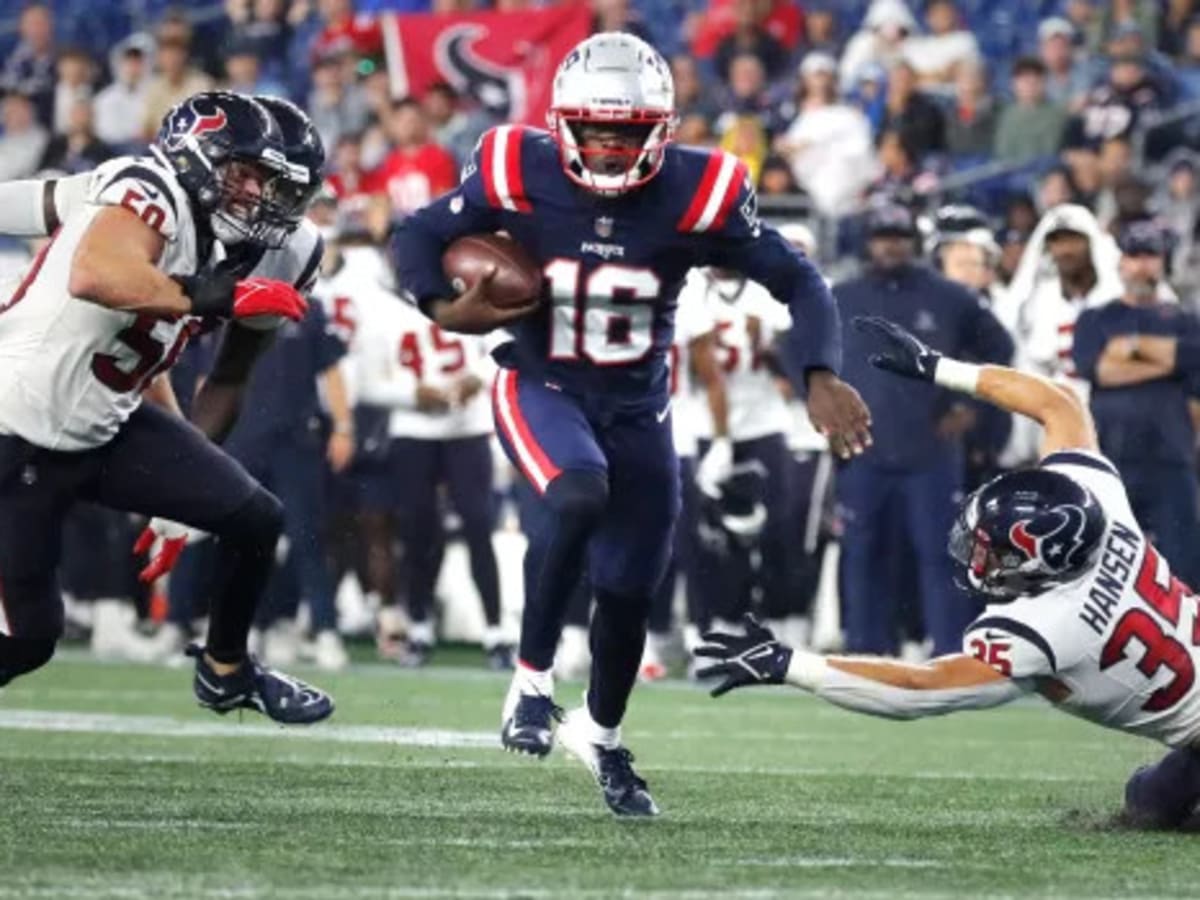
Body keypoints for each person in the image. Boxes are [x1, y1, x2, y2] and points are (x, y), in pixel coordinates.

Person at [391, 32, 870, 817]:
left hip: (641, 410)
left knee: (628, 594)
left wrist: (819, 372)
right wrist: (444, 306)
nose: (610, 150)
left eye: (626, 132)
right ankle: (532, 682)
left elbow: (801, 281)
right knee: (578, 494)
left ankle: (603, 739)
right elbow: (416, 234)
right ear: (561, 124)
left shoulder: (702, 189)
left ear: (663, 129)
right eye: (596, 131)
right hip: (541, 382)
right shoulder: (519, 164)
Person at [698, 315, 1200, 831]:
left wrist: (791, 666)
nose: (978, 559)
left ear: (1037, 568)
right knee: (1151, 802)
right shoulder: (1099, 503)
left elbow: (918, 687)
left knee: (1153, 802)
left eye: (993, 553)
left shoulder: (1047, 627)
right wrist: (938, 367)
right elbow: (1059, 404)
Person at [0, 91, 331, 722]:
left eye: (283, 187)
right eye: (249, 175)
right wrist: (221, 295)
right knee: (29, 638)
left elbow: (229, 379)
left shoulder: (288, 250)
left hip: (107, 421)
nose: (265, 199)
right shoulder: (144, 186)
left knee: (254, 517)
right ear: (196, 159)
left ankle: (227, 671)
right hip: (15, 424)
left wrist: (182, 494)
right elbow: (96, 273)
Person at [833, 203, 1013, 657]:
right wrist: (819, 404)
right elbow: (800, 349)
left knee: (941, 555)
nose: (891, 244)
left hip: (932, 453)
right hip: (863, 450)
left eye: (899, 235)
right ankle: (865, 651)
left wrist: (970, 403)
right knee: (863, 554)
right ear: (868, 242)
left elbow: (1000, 347)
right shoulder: (840, 296)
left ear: (914, 242)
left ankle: (950, 652)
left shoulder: (950, 296)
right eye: (882, 236)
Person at [1072, 221, 1200, 588]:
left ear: (1163, 262)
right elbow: (1097, 369)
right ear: (1120, 263)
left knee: (1183, 568)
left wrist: (1129, 348)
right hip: (1109, 459)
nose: (1142, 265)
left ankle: (1187, 646)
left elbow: (1194, 371)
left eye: (1150, 255)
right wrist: (1166, 360)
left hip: (1172, 459)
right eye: (1134, 255)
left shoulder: (1186, 320)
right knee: (1103, 569)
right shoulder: (1095, 318)